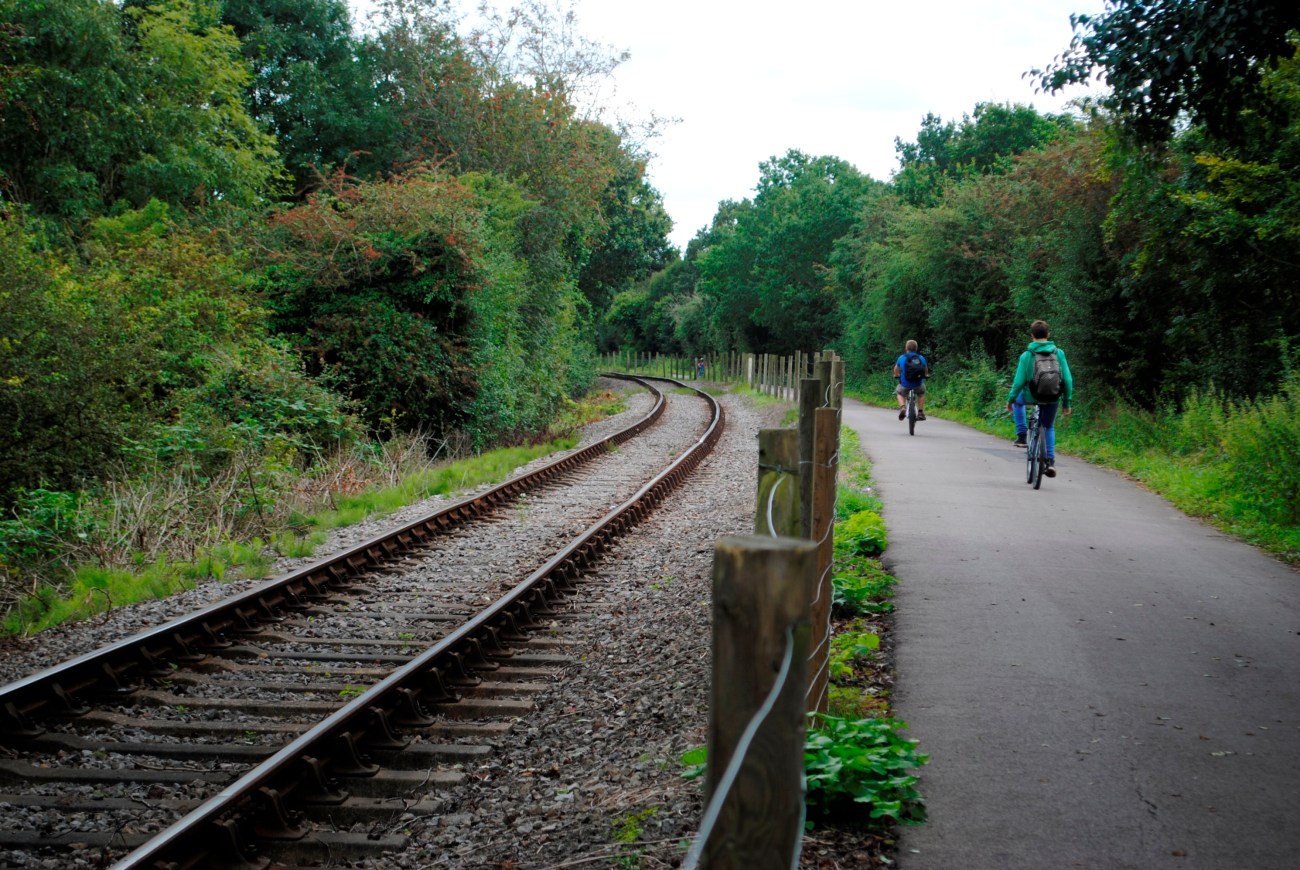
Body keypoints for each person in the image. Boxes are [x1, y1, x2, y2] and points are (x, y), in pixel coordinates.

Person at [1006, 320, 1074, 476]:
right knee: (1048, 427)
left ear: (1032, 336)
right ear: (1048, 335)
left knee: (1018, 402)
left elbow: (1019, 382)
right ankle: (1050, 461)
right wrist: (1066, 402)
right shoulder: (1059, 353)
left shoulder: (1027, 355)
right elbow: (1068, 380)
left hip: (1032, 395)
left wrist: (1011, 399)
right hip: (1053, 396)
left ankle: (1022, 435)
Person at [893, 340, 930, 421]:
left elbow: (896, 370)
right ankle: (920, 412)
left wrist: (896, 375)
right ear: (916, 348)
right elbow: (925, 370)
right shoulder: (921, 358)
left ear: (906, 348)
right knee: (921, 393)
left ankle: (903, 407)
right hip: (918, 385)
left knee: (899, 393)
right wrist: (926, 375)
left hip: (905, 385)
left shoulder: (902, 358)